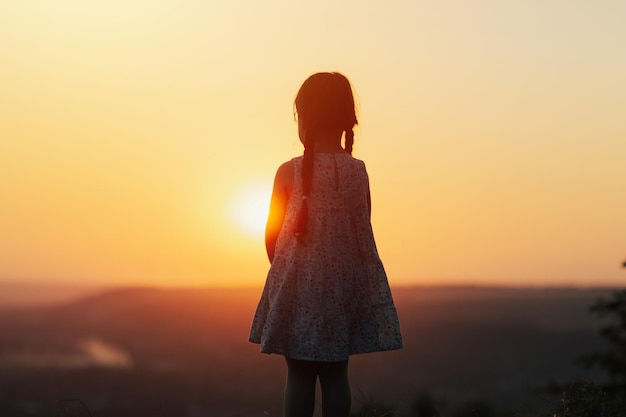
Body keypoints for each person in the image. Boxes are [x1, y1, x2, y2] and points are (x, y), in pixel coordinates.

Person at [249, 72, 403, 417]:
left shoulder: (288, 172)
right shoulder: (358, 172)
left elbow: (271, 239)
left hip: (298, 288)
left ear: (304, 117)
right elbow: (362, 230)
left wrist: (287, 279)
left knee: (299, 374)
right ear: (348, 120)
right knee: (336, 373)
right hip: (343, 290)